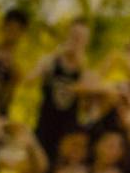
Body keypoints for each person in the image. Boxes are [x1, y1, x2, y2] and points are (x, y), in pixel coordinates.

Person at [26, 18, 90, 161]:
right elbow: (28, 80)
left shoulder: (84, 71)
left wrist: (82, 66)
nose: (76, 41)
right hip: (44, 128)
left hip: (67, 136)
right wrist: (55, 54)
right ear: (67, 36)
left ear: (86, 42)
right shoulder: (50, 61)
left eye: (81, 38)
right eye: (74, 36)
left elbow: (88, 103)